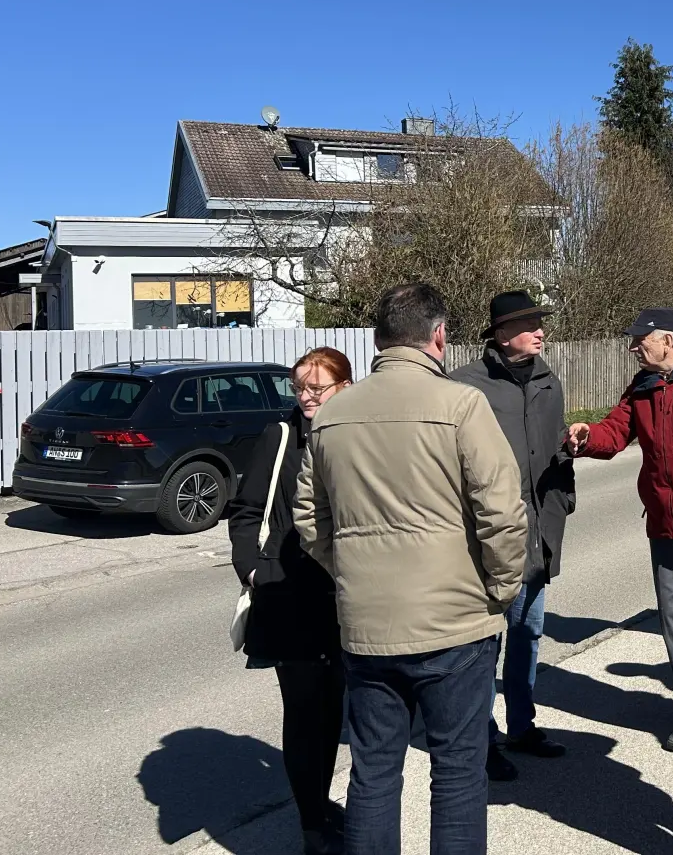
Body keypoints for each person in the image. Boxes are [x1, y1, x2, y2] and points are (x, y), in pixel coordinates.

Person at [295, 283, 527, 855]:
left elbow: (309, 518)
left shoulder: (332, 415)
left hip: (367, 625)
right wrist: (500, 588)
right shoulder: (461, 405)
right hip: (456, 622)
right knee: (458, 773)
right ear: (439, 335)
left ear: (379, 339)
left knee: (373, 773)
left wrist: (350, 572)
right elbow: (502, 511)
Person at [565, 306, 673, 754]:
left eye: (641, 340)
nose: (633, 348)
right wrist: (587, 435)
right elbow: (616, 431)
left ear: (668, 340)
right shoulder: (644, 384)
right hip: (665, 526)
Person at [230, 347, 353, 855]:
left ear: (345, 387)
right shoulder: (279, 436)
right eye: (299, 387)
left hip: (347, 595)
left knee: (335, 710)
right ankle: (311, 825)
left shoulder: (358, 434)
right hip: (289, 593)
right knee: (304, 713)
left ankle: (322, 803)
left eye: (315, 387)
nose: (305, 397)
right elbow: (245, 511)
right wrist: (253, 570)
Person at [451, 290, 576, 770]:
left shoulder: (548, 381)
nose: (540, 331)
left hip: (538, 532)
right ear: (502, 334)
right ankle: (482, 740)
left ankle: (522, 726)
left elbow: (558, 449)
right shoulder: (466, 387)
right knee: (487, 641)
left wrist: (564, 499)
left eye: (540, 323)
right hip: (487, 538)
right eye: (529, 324)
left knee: (529, 633)